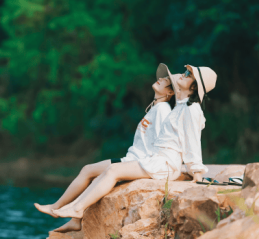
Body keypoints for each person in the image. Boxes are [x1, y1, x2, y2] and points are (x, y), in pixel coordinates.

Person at [51, 64, 217, 220]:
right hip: (159, 160)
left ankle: (77, 209)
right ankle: (75, 207)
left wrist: (196, 171)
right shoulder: (181, 106)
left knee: (113, 170)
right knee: (109, 170)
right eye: (186, 71)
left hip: (165, 164)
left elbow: (192, 141)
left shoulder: (191, 109)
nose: (183, 74)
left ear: (194, 87)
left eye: (189, 75)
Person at [35, 64, 176, 232]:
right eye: (162, 77)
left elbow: (162, 141)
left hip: (140, 161)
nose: (161, 79)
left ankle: (73, 211)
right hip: (132, 157)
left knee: (99, 174)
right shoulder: (155, 108)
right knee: (88, 170)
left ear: (170, 92)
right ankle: (64, 212)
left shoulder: (163, 110)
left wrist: (146, 165)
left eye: (166, 80)